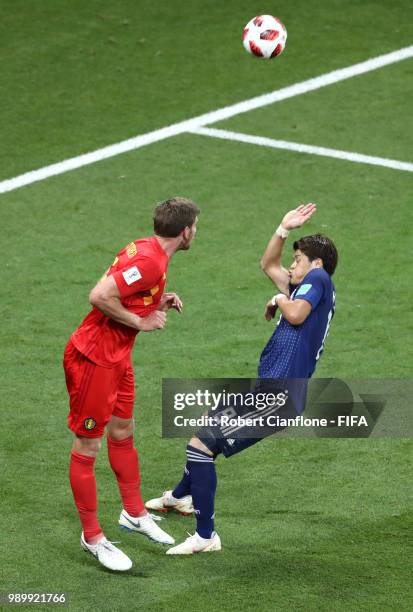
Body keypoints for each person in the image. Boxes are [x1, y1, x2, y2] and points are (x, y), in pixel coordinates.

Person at [146, 203, 338, 554]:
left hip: (279, 397)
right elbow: (268, 265)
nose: (291, 265)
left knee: (200, 447)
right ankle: (178, 498)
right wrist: (282, 229)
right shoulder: (306, 287)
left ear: (317, 265)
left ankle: (206, 536)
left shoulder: (319, 281)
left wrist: (279, 299)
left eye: (298, 260)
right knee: (206, 428)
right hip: (268, 389)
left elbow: (294, 314)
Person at [63, 197, 200, 571]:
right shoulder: (150, 260)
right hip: (94, 359)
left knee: (123, 430)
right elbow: (99, 296)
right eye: (196, 227)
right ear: (186, 231)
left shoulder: (149, 249)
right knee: (87, 445)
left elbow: (122, 290)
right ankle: (92, 537)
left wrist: (154, 304)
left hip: (117, 358)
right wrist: (141, 322)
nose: (195, 233)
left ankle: (134, 513)